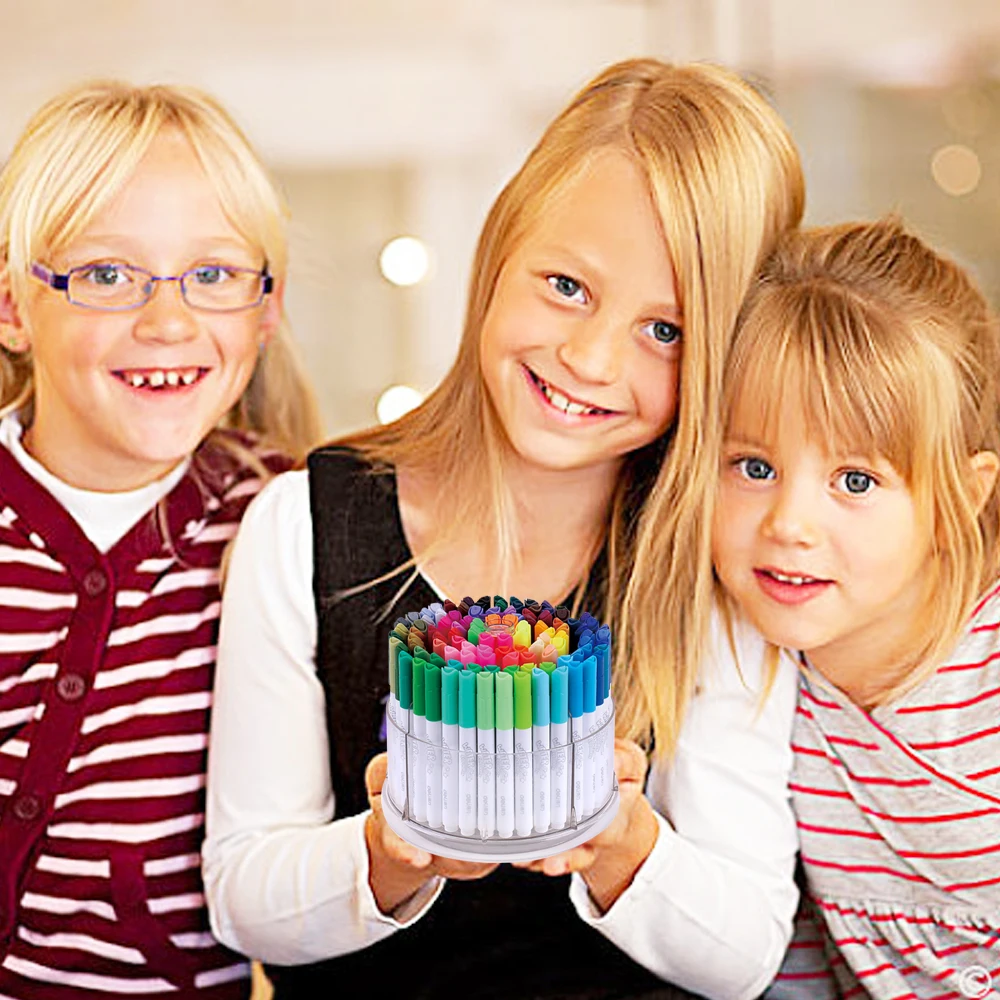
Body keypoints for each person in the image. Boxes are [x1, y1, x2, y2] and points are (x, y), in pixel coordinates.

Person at [205, 58, 805, 1000]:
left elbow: (743, 953)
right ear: (499, 248)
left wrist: (620, 837)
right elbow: (243, 899)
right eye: (567, 285)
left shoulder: (714, 568)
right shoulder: (303, 527)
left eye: (667, 331)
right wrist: (391, 847)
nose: (590, 357)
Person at [0, 81, 321, 998]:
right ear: (13, 308)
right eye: (107, 275)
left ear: (266, 309)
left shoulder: (282, 521)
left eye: (213, 275)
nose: (169, 322)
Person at [711, 217, 1000, 999]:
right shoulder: (748, 673)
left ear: (958, 499)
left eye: (856, 481)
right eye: (754, 466)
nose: (789, 524)